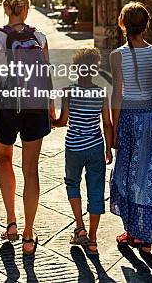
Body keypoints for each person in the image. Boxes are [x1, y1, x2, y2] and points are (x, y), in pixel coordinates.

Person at [0, 0, 54, 255]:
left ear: (5, 8)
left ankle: (11, 223)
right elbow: (46, 75)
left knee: (4, 160)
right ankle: (28, 234)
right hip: (35, 105)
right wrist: (50, 106)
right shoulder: (39, 36)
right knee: (31, 169)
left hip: (6, 106)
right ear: (26, 9)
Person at [110, 1, 152, 253]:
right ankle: (146, 236)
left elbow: (117, 94)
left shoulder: (117, 55)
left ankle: (133, 231)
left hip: (129, 117)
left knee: (128, 173)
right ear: (146, 25)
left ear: (122, 24)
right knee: (150, 174)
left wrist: (114, 128)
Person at [52, 47, 113, 254]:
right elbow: (107, 124)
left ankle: (80, 228)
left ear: (76, 69)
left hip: (74, 148)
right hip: (95, 147)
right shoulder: (101, 93)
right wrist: (108, 148)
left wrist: (53, 122)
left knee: (73, 183)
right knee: (96, 191)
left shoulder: (69, 91)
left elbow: (63, 120)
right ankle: (93, 240)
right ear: (95, 70)